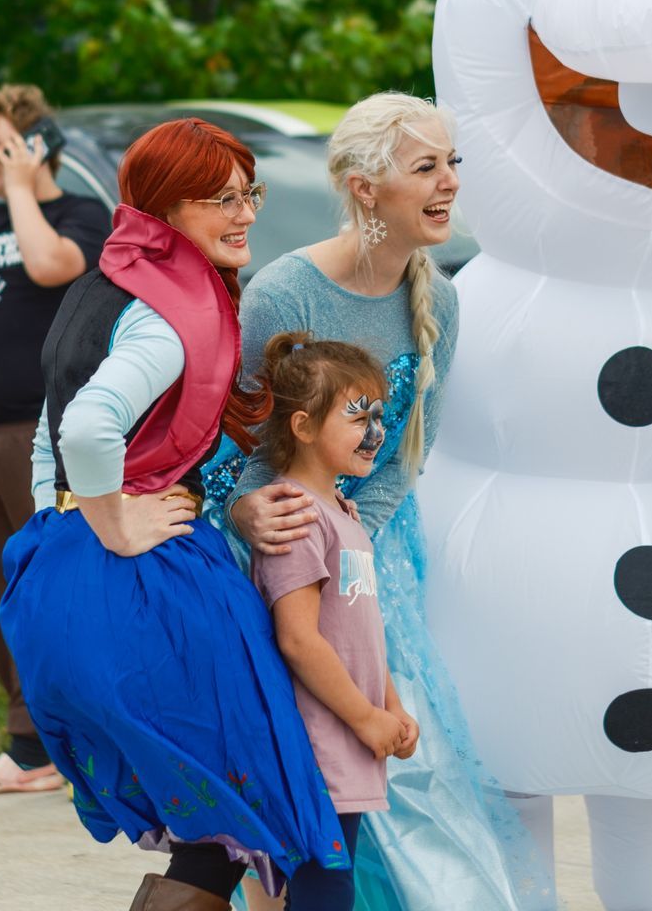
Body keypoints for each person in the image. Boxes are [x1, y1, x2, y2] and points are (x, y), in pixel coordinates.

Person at [0, 118, 346, 911]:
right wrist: (116, 522)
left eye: (248, 192)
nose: (246, 212)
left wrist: (73, 528)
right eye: (221, 198)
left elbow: (50, 439)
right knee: (264, 808)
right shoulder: (164, 311)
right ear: (165, 209)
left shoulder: (106, 284)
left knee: (217, 833)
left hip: (57, 567)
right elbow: (87, 427)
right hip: (149, 579)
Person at [217, 92, 553, 911]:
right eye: (425, 166)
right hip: (284, 548)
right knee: (299, 760)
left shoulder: (440, 300)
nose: (448, 185)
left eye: (453, 164)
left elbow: (412, 450)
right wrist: (245, 513)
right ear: (365, 189)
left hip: (374, 554)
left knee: (407, 757)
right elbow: (236, 451)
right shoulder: (282, 296)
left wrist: (352, 538)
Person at [0, 83, 109, 797]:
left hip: (39, 438)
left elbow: (51, 268)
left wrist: (19, 189)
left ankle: (75, 743)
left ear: (38, 145)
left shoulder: (79, 215)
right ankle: (29, 741)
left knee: (54, 589)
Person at [251, 334, 420, 911]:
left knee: (327, 888)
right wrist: (364, 717)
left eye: (378, 415)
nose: (375, 431)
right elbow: (298, 639)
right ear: (301, 427)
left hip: (349, 737)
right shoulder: (296, 515)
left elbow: (362, 634)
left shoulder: (343, 513)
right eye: (357, 417)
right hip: (315, 746)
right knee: (325, 890)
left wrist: (390, 708)